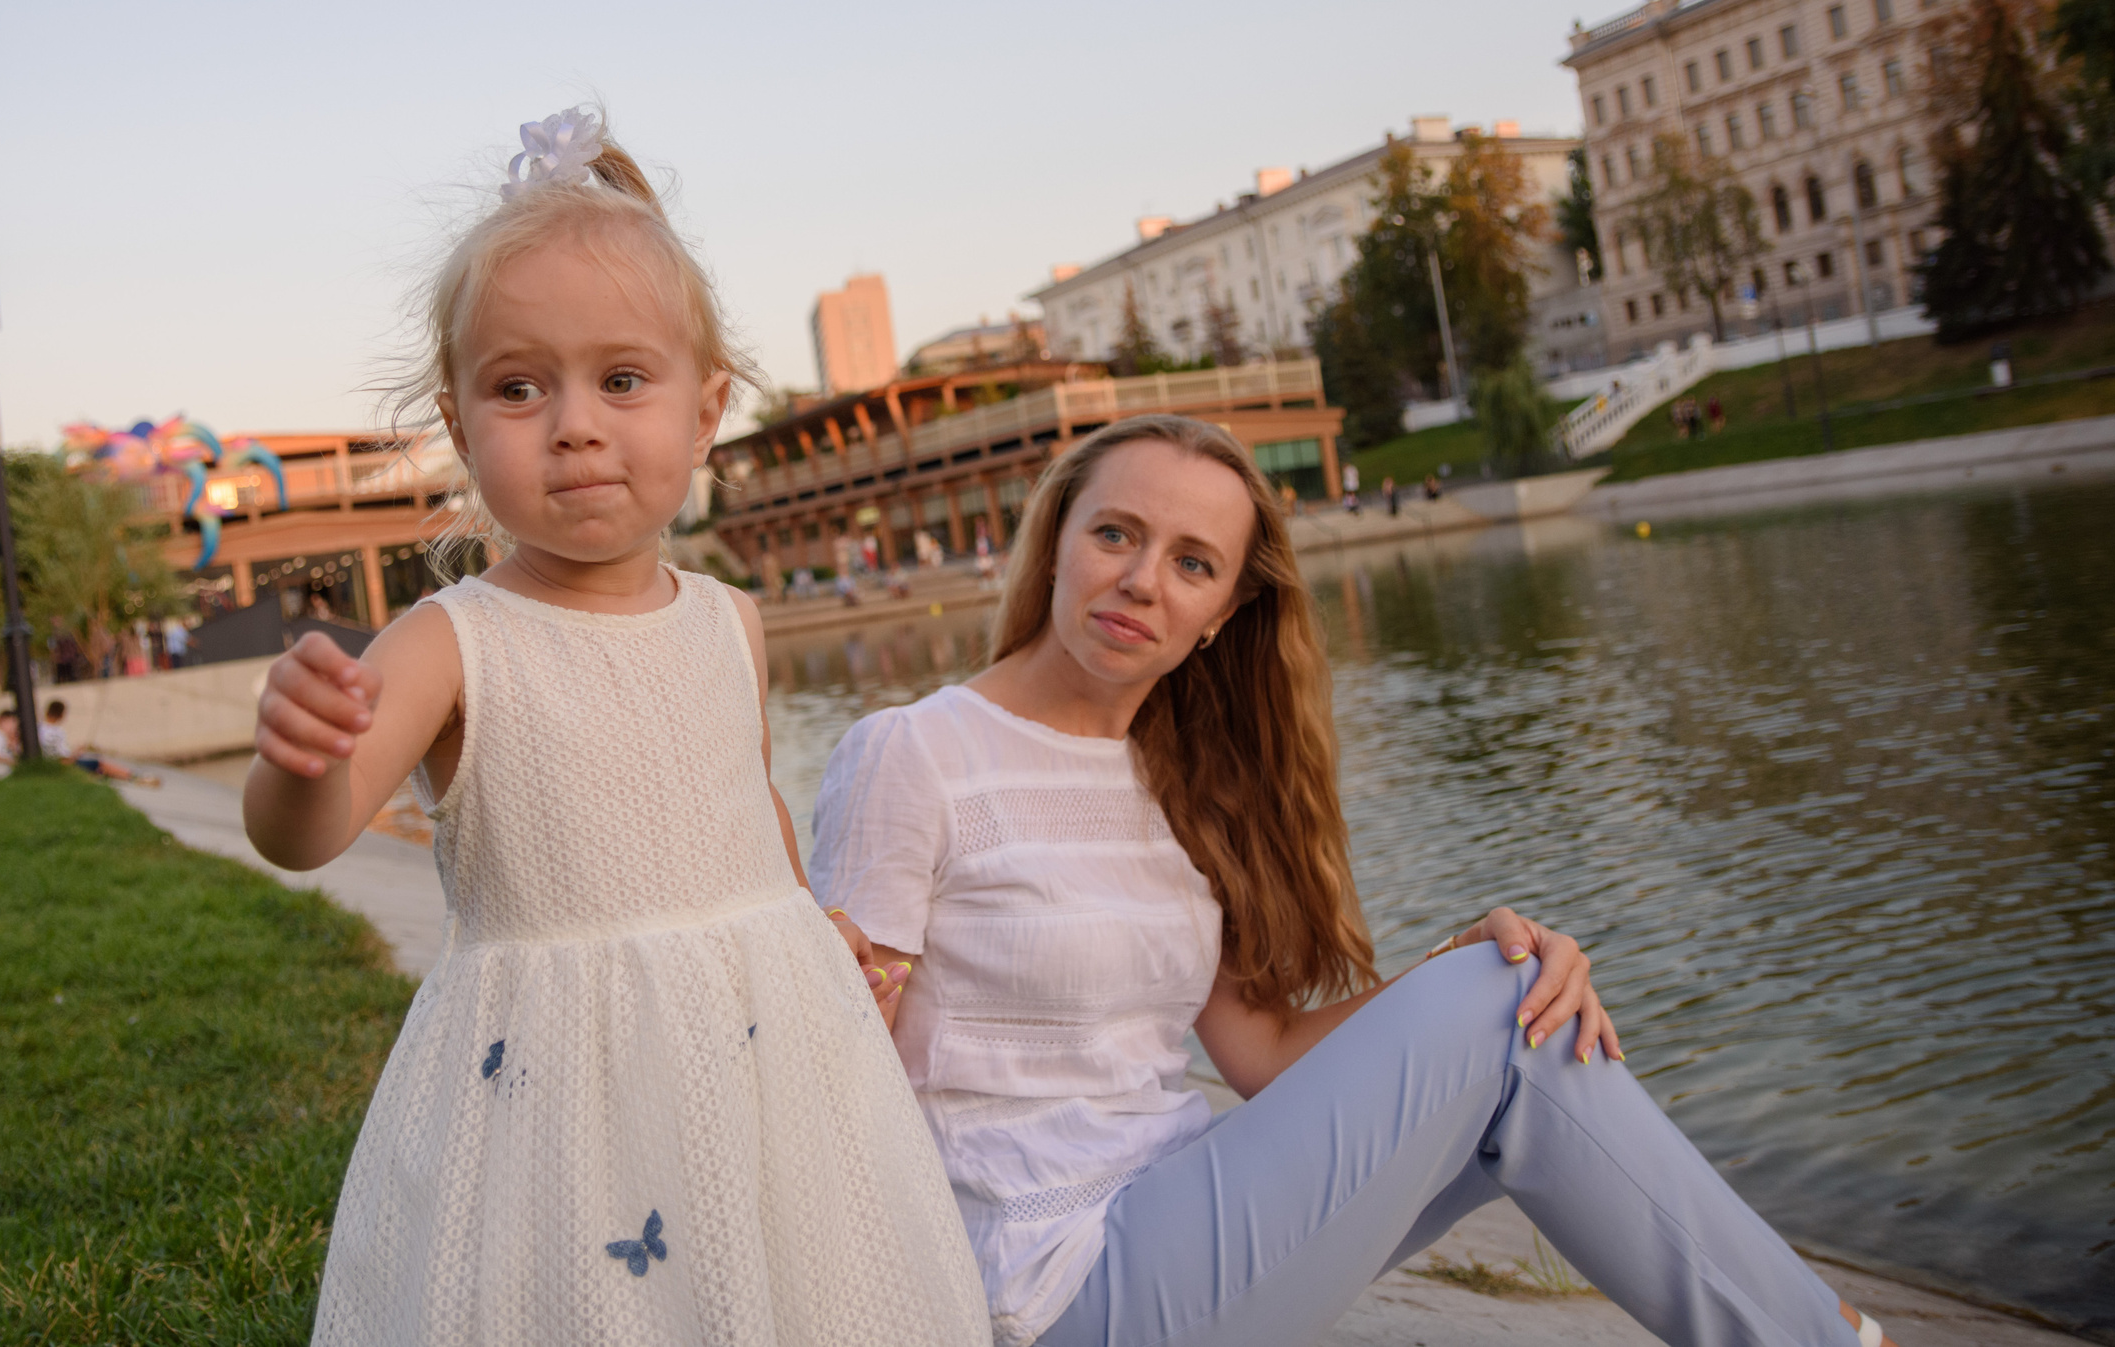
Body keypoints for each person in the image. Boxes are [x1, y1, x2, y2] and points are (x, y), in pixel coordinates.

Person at [811, 414, 1896, 1347]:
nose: (1142, 579)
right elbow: (837, 1076)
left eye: (1192, 563)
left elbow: (1266, 1054)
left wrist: (1463, 965)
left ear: (1220, 618)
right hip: (1039, 1286)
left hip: (1181, 1221)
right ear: (1057, 546)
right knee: (1495, 1002)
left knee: (1519, 993)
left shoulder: (1180, 790)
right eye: (1115, 534)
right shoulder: (915, 754)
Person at [243, 109, 988, 1345]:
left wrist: (814, 925)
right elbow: (306, 836)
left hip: (765, 1050)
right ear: (461, 419)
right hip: (554, 1090)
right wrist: (297, 760)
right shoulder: (449, 642)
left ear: (706, 411)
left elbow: (746, 804)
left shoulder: (731, 622)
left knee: (797, 1289)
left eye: (622, 380)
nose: (574, 423)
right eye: (519, 387)